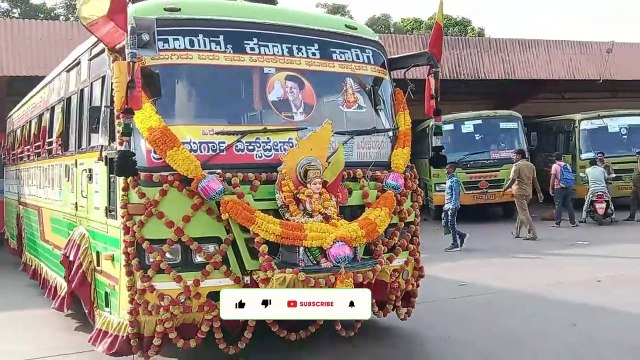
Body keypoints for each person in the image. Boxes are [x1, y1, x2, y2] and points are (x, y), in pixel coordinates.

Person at [501, 149, 544, 240]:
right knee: (521, 212)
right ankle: (517, 232)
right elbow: (535, 180)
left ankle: (532, 233)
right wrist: (539, 193)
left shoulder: (517, 166)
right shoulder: (531, 165)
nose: (513, 157)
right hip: (528, 193)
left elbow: (512, 180)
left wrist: (504, 189)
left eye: (514, 155)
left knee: (524, 213)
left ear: (519, 156)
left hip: (519, 192)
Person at [442, 162, 469, 252]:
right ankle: (461, 235)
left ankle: (455, 243)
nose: (446, 170)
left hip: (452, 206)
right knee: (446, 224)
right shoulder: (448, 180)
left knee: (451, 224)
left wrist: (452, 206)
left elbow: (456, 194)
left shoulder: (455, 180)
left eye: (448, 168)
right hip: (447, 205)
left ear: (453, 169)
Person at [580, 158, 616, 223]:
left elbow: (586, 179)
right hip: (603, 189)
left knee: (587, 203)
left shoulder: (587, 170)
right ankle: (613, 217)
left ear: (590, 164)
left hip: (593, 190)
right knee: (610, 201)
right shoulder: (602, 170)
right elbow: (606, 178)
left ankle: (583, 218)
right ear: (596, 163)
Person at [549, 152, 578, 227]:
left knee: (558, 205)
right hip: (568, 187)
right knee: (569, 205)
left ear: (554, 159)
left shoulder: (555, 166)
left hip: (558, 188)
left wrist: (550, 188)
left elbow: (553, 178)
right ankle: (573, 222)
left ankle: (557, 223)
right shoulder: (567, 165)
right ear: (562, 158)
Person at [623, 150, 640, 221]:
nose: (636, 157)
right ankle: (631, 216)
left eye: (637, 155)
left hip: (638, 185)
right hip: (635, 186)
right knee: (633, 199)